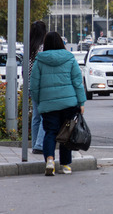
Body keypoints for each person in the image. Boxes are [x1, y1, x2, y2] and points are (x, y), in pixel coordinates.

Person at [30, 31, 86, 176]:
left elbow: (34, 85)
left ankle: (49, 160)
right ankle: (66, 165)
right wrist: (81, 102)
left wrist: (38, 100)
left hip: (48, 104)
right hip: (69, 103)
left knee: (50, 132)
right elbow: (77, 82)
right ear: (61, 42)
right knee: (66, 133)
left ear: (46, 44)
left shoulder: (40, 61)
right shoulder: (70, 58)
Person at [28, 21, 47, 154]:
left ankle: (35, 143)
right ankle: (39, 144)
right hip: (42, 85)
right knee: (45, 116)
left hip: (31, 85)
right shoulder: (43, 48)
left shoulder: (29, 47)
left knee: (36, 116)